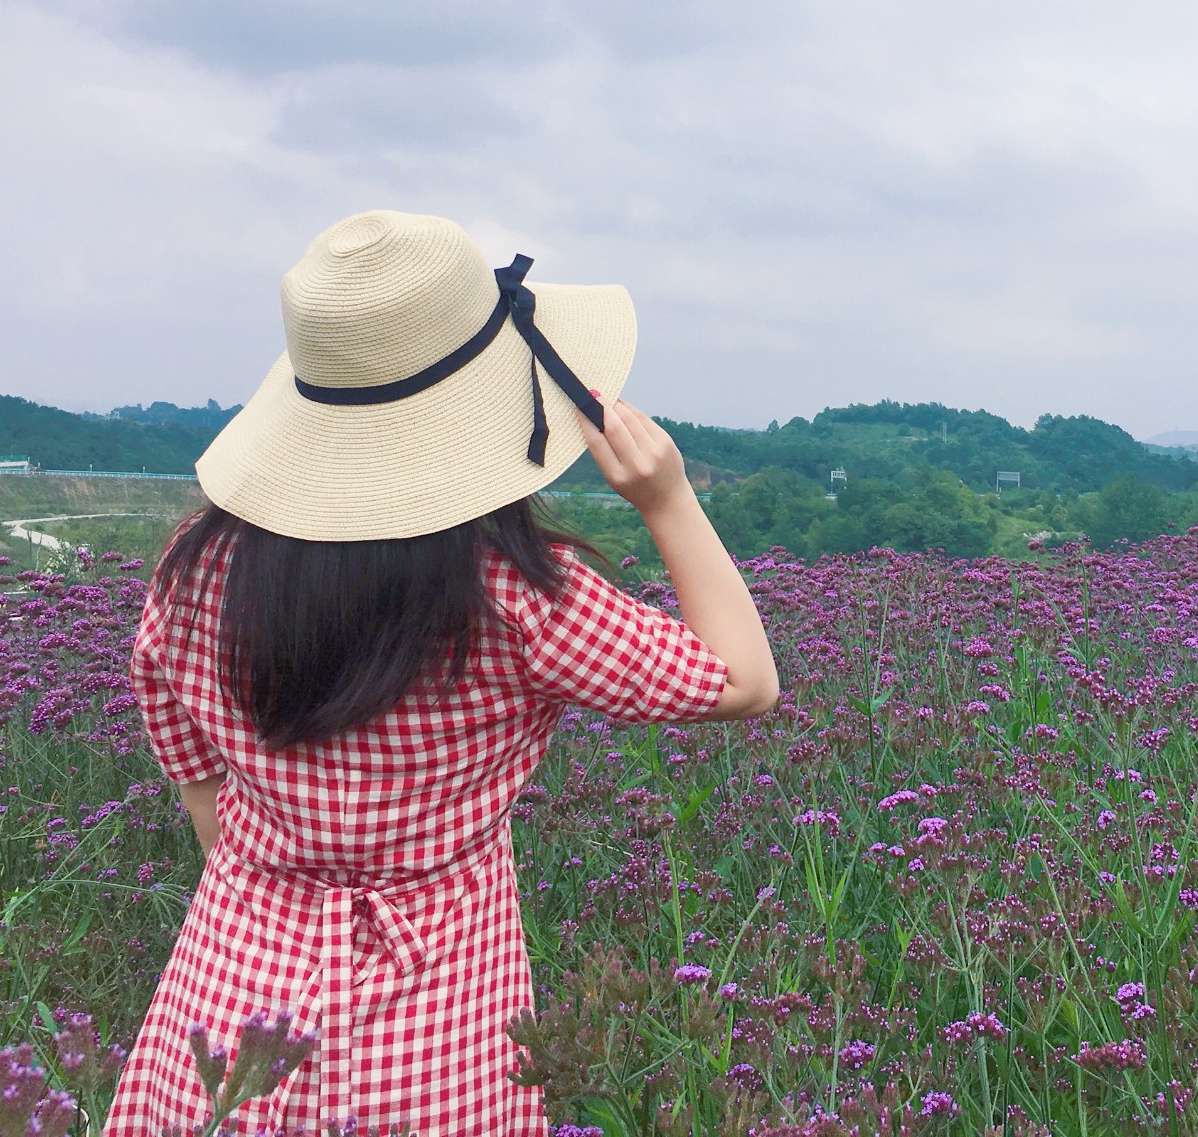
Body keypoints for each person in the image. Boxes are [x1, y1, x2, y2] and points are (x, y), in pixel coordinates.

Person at [103, 210, 778, 1136]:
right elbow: (744, 680)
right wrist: (667, 498)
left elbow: (209, 809)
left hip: (231, 1000)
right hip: (441, 1012)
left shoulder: (194, 570)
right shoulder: (520, 599)